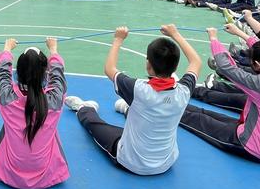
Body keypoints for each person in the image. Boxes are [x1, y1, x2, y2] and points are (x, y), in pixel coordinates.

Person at [65, 24, 201, 175]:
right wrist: (175, 34)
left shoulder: (138, 89)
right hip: (166, 163)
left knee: (95, 125)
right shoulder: (184, 91)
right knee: (145, 114)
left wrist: (118, 39)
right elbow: (196, 62)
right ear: (175, 68)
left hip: (131, 162)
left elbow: (109, 69)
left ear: (148, 64)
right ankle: (126, 108)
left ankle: (83, 108)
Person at [0, 37, 69, 189]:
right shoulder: (54, 100)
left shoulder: (7, 97)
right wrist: (53, 51)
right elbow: (58, 75)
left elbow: (2, 74)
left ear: (18, 72)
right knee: (50, 126)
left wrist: (7, 50)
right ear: (46, 72)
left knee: (8, 124)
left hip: (9, 175)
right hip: (47, 176)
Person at [180, 25, 260, 162]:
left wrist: (213, 38)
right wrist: (239, 33)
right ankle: (173, 102)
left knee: (199, 120)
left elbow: (227, 67)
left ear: (257, 64)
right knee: (206, 114)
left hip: (250, 146)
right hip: (247, 128)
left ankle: (162, 108)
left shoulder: (257, 84)